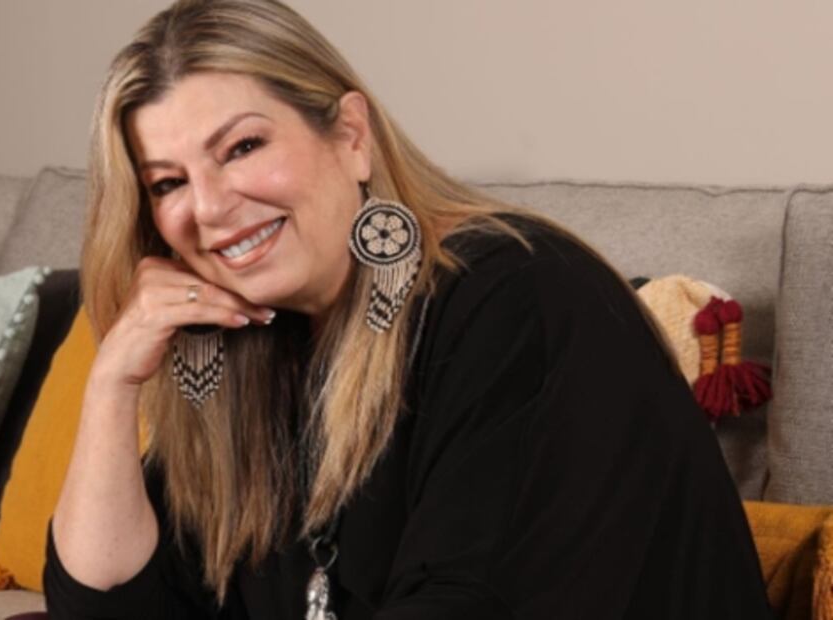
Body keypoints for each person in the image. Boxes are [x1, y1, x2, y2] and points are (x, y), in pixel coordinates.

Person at [44, 0, 773, 618]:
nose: (207, 207)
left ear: (351, 136)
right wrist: (112, 385)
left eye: (242, 147)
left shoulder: (517, 297)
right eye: (168, 183)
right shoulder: (253, 347)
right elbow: (104, 608)